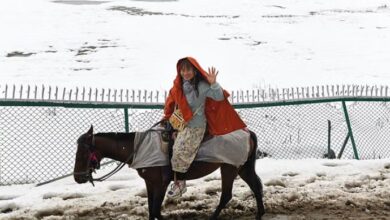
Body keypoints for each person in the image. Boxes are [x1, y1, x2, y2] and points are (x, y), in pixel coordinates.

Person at [163, 57, 247, 198]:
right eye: (182, 70)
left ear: (195, 71)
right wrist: (166, 118)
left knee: (180, 149)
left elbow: (219, 96)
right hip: (181, 125)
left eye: (188, 69)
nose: (185, 73)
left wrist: (214, 83)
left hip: (196, 126)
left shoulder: (202, 86)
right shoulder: (178, 86)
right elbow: (170, 103)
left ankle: (180, 184)